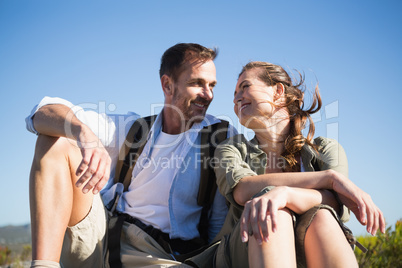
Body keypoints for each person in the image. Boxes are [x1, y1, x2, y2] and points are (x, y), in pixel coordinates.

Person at [26, 43, 238, 268]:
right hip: (102, 238)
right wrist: (84, 135)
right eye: (197, 83)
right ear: (167, 85)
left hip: (159, 256)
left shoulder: (218, 136)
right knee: (56, 139)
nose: (208, 95)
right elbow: (42, 112)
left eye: (212, 85)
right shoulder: (134, 129)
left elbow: (219, 221)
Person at [213, 61, 386, 267]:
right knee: (272, 212)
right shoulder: (230, 148)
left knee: (321, 215)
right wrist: (328, 179)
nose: (236, 98)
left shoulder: (326, 149)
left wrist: (285, 194)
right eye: (234, 93)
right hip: (241, 250)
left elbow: (336, 204)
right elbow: (242, 188)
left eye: (245, 87)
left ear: (278, 91)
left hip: (313, 245)